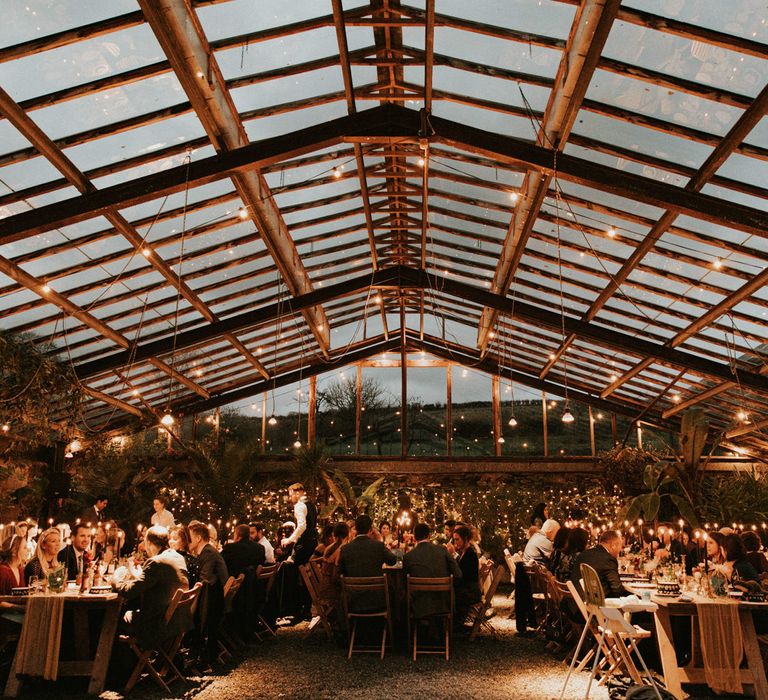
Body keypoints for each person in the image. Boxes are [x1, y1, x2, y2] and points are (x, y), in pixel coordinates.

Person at [112, 526, 190, 650]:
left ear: (149, 542)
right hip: (178, 621)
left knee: (116, 617)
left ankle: (122, 665)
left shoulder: (156, 562)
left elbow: (129, 592)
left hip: (157, 625)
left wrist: (116, 578)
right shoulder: (176, 556)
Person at [188, 522, 228, 668]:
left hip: (212, 606)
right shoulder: (207, 552)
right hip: (215, 601)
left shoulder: (208, 553)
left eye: (190, 538)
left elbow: (204, 582)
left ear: (198, 538)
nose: (188, 541)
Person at [404, 523, 462, 620]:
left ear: (414, 537)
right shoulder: (442, 550)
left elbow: (404, 584)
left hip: (419, 606)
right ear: (429, 535)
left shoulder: (408, 556)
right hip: (443, 604)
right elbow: (458, 575)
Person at [570, 530, 630, 598]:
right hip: (595, 603)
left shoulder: (584, 554)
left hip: (576, 601)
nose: (620, 550)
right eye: (621, 546)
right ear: (613, 545)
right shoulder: (608, 559)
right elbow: (617, 589)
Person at [280, 483, 317, 566]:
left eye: (291, 495)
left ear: (297, 494)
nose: (290, 498)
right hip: (313, 542)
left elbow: (302, 526)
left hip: (303, 544)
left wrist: (289, 540)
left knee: (296, 570)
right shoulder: (312, 505)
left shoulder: (299, 506)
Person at [453, 525, 481, 625]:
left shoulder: (470, 555)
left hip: (470, 593)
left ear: (465, 539)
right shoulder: (464, 553)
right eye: (454, 540)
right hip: (466, 590)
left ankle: (455, 624)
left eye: (457, 539)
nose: (455, 542)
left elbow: (463, 576)